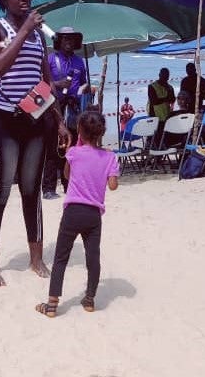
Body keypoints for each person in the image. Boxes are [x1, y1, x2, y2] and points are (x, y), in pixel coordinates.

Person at [0, 0, 69, 287]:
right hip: (3, 119)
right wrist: (22, 31)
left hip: (35, 118)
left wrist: (58, 120)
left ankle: (35, 258)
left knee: (31, 191)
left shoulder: (36, 36)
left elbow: (45, 81)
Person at [35, 110, 119, 318]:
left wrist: (76, 149)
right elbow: (113, 185)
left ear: (79, 130)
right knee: (93, 256)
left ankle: (52, 303)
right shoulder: (110, 157)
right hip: (93, 215)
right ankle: (90, 299)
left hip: (73, 211)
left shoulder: (73, 153)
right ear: (102, 132)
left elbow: (66, 175)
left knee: (61, 257)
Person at [44, 26, 87, 199]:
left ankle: (69, 185)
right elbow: (44, 83)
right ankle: (48, 188)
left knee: (72, 147)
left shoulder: (79, 61)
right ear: (59, 41)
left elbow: (83, 84)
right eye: (65, 39)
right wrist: (58, 84)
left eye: (71, 39)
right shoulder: (51, 59)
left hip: (73, 108)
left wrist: (85, 93)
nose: (68, 42)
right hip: (54, 106)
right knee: (53, 147)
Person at [148, 67, 175, 146]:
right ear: (159, 75)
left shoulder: (170, 87)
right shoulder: (152, 86)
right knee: (155, 139)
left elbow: (172, 99)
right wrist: (166, 98)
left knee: (164, 138)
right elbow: (154, 101)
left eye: (167, 76)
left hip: (166, 116)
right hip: (155, 116)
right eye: (164, 75)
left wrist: (168, 93)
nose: (165, 78)